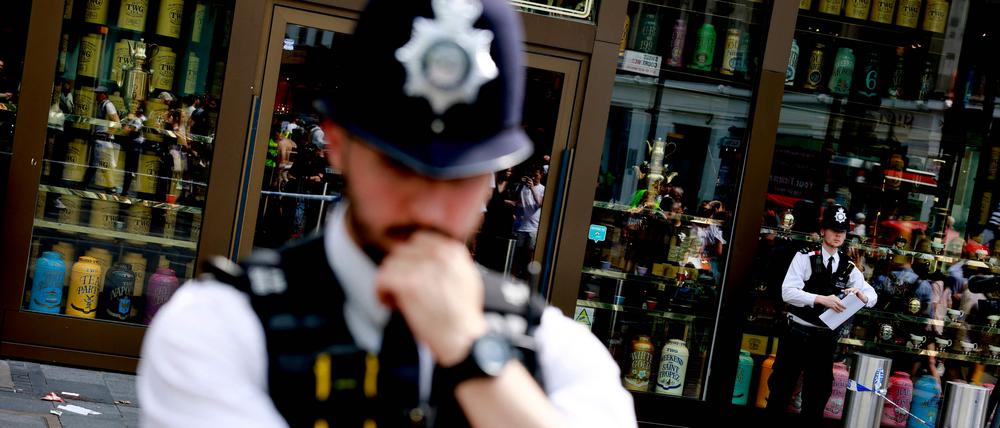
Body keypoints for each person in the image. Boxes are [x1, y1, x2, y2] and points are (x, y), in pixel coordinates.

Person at [137, 0, 636, 426]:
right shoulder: (220, 326)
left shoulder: (559, 352)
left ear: (495, 173)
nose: (428, 203)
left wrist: (471, 353)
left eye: (460, 174)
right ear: (336, 145)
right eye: (398, 164)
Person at [766, 204, 878, 422]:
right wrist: (819, 299)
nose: (837, 235)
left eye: (842, 231)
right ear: (823, 230)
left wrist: (863, 296)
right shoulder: (805, 256)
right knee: (780, 391)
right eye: (833, 229)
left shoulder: (847, 265)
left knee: (817, 397)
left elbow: (871, 295)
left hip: (824, 338)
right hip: (797, 333)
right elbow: (787, 292)